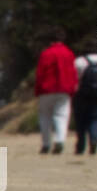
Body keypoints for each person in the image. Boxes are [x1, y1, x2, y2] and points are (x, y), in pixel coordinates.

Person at [34, 27, 78, 155]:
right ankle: (60, 140)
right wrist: (73, 88)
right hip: (64, 89)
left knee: (45, 117)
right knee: (61, 116)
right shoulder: (69, 53)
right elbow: (73, 72)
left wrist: (37, 90)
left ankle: (46, 143)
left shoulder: (46, 54)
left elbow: (40, 73)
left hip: (46, 89)